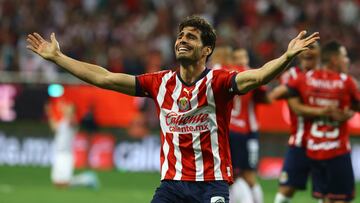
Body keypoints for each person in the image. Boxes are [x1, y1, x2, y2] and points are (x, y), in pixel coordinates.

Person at [26, 15, 319, 203]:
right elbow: (104, 77)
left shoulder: (219, 82)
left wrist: (287, 56)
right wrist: (58, 58)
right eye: (180, 36)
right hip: (172, 187)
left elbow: (258, 76)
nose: (182, 40)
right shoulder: (160, 82)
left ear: (206, 50)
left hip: (211, 185)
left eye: (191, 37)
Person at [286, 41, 360, 203]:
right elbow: (357, 103)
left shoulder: (305, 79)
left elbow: (293, 102)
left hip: (314, 150)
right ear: (335, 60)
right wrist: (347, 114)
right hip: (337, 149)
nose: (346, 60)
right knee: (340, 199)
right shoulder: (346, 82)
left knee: (325, 199)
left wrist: (317, 111)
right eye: (344, 56)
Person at [272, 42, 322, 203]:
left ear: (320, 52)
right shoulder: (291, 74)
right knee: (286, 189)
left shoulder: (327, 75)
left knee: (325, 192)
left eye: (313, 48)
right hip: (299, 142)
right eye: (305, 48)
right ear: (299, 53)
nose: (308, 52)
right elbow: (281, 97)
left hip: (324, 142)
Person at [228, 48, 270, 203]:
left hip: (234, 130)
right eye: (240, 56)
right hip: (246, 132)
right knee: (246, 175)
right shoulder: (251, 74)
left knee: (236, 175)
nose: (243, 59)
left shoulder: (226, 73)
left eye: (244, 56)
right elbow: (265, 96)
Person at [47, 99, 99, 189]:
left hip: (66, 155)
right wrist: (50, 112)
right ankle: (86, 179)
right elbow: (54, 127)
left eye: (69, 108)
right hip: (59, 154)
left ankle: (87, 179)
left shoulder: (73, 122)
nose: (66, 109)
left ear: (72, 111)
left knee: (65, 183)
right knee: (58, 184)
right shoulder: (63, 121)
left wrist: (63, 108)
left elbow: (71, 119)